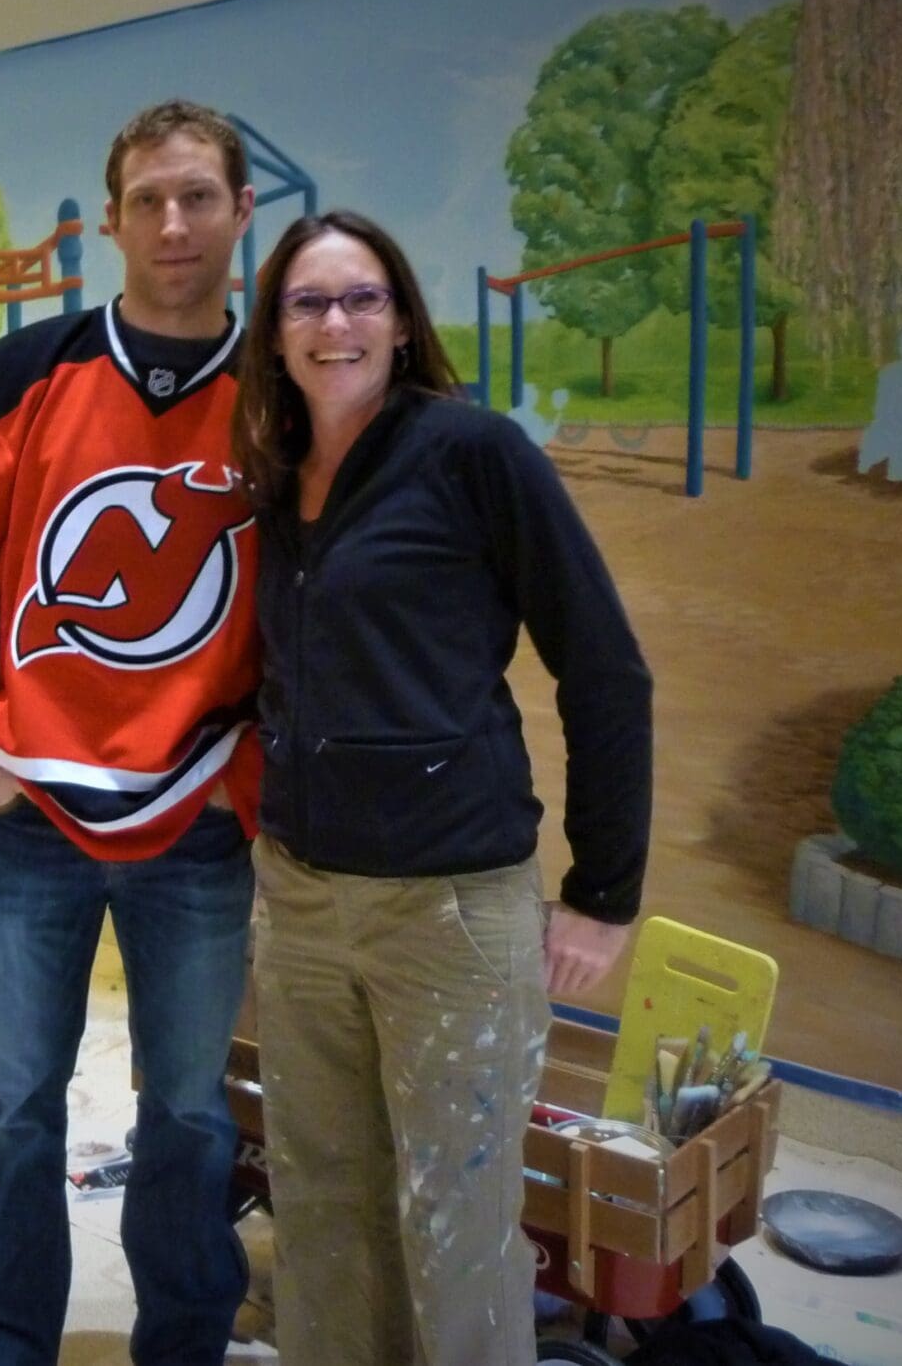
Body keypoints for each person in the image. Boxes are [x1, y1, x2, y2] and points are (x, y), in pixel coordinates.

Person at [229, 210, 652, 1366]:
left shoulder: (474, 454)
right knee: (319, 1199)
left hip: (451, 909)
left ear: (404, 322)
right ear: (274, 333)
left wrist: (603, 891)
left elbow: (605, 667)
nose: (336, 323)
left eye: (362, 298)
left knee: (454, 1224)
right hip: (305, 904)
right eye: (308, 303)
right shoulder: (271, 484)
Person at [0, 100, 262, 1366]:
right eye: (147, 198)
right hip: (31, 818)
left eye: (198, 196)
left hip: (199, 824)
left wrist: (240, 780)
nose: (172, 222)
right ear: (109, 220)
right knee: (16, 1102)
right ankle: (12, 1325)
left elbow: (325, 618)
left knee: (195, 1114)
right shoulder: (17, 380)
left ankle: (187, 1330)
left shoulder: (285, 395)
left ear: (242, 212)